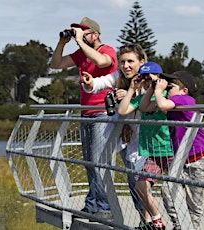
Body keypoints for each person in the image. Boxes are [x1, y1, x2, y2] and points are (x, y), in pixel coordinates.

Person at [50, 16, 117, 219]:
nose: (79, 34)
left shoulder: (107, 50)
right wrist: (62, 43)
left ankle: (105, 207)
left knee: (98, 161)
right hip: (86, 112)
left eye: (83, 31)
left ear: (95, 35)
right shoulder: (80, 54)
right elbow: (56, 64)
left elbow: (100, 61)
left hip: (103, 112)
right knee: (89, 162)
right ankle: (92, 204)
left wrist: (79, 41)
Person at [81, 44, 152, 227]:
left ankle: (152, 219)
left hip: (143, 138)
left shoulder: (148, 79)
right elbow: (100, 83)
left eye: (131, 61)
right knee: (132, 179)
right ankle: (145, 220)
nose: (126, 66)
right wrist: (90, 83)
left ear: (141, 62)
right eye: (123, 62)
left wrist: (130, 93)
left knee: (138, 179)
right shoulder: (118, 77)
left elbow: (149, 96)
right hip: (125, 136)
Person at [143, 71, 204, 229]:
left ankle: (190, 227)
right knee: (168, 191)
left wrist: (158, 91)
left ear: (184, 90)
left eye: (171, 86)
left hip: (200, 159)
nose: (167, 89)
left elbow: (161, 104)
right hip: (183, 160)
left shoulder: (185, 99)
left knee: (194, 203)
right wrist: (152, 88)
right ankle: (180, 225)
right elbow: (144, 107)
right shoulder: (172, 102)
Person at [119, 62, 174, 230]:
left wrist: (157, 90)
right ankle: (157, 220)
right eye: (144, 80)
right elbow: (122, 110)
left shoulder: (167, 95)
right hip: (152, 152)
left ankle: (180, 222)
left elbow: (165, 106)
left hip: (170, 149)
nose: (147, 83)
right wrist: (132, 88)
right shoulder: (142, 97)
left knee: (175, 190)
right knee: (140, 186)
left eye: (150, 79)